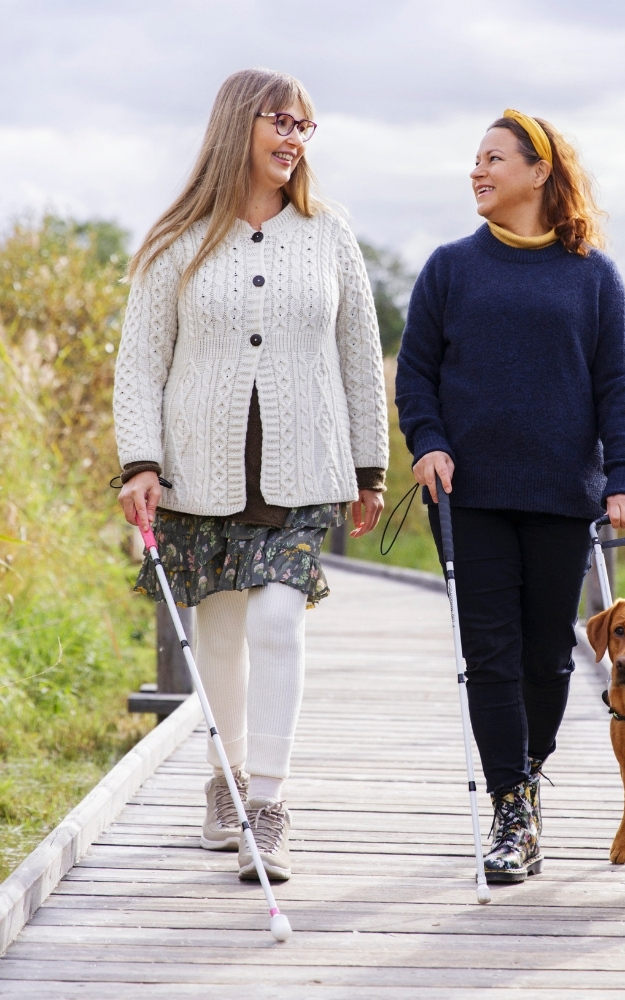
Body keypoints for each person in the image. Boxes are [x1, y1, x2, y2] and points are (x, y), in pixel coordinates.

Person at [113, 68, 388, 882]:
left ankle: (269, 805)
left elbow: (359, 361)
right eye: (282, 122)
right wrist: (141, 462)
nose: (295, 139)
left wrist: (369, 469)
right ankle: (226, 782)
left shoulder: (331, 233)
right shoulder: (176, 242)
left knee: (276, 620)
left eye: (306, 127)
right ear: (240, 125)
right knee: (223, 633)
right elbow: (140, 366)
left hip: (304, 472)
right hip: (200, 470)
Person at [396, 109, 625, 883]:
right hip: (469, 495)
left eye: (494, 159)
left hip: (560, 496)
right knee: (491, 654)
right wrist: (429, 441)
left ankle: (528, 779)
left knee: (549, 657)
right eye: (475, 160)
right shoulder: (449, 268)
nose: (478, 171)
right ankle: (511, 807)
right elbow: (416, 375)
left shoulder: (593, 275)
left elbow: (617, 384)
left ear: (539, 173)